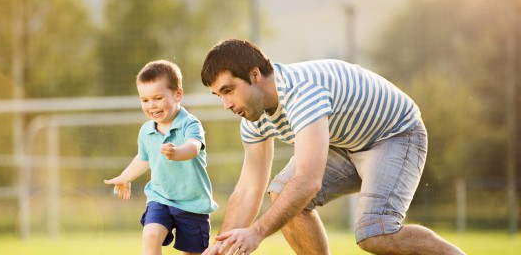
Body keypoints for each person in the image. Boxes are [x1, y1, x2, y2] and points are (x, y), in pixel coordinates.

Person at [199, 39, 465, 255]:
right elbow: (248, 188)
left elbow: (308, 180)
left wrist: (256, 233)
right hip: (345, 143)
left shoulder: (302, 93)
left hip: (394, 134)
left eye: (229, 90)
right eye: (220, 95)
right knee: (282, 195)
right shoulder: (253, 116)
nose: (227, 104)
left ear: (255, 75)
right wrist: (223, 245)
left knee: (375, 233)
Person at [104, 60, 218, 255]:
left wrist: (177, 153)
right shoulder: (146, 131)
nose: (151, 106)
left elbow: (193, 146)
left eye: (157, 98)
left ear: (177, 95)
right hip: (160, 198)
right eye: (145, 100)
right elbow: (143, 158)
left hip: (193, 204)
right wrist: (125, 177)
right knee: (151, 235)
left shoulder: (190, 124)